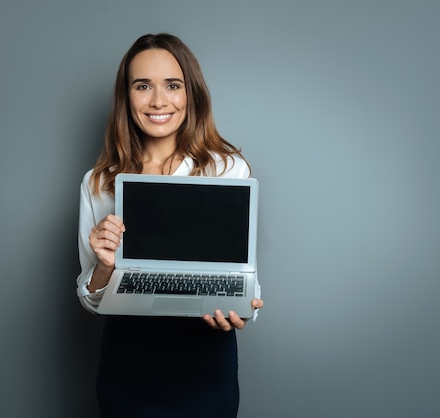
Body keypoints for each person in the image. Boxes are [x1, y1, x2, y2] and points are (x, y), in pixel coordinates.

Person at [75, 33, 264, 418]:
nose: (158, 101)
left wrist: (240, 310)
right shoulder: (99, 181)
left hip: (205, 367)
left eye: (172, 86)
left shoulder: (227, 169)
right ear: (126, 97)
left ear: (189, 93)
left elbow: (241, 275)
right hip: (128, 365)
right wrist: (105, 265)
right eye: (142, 86)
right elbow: (91, 298)